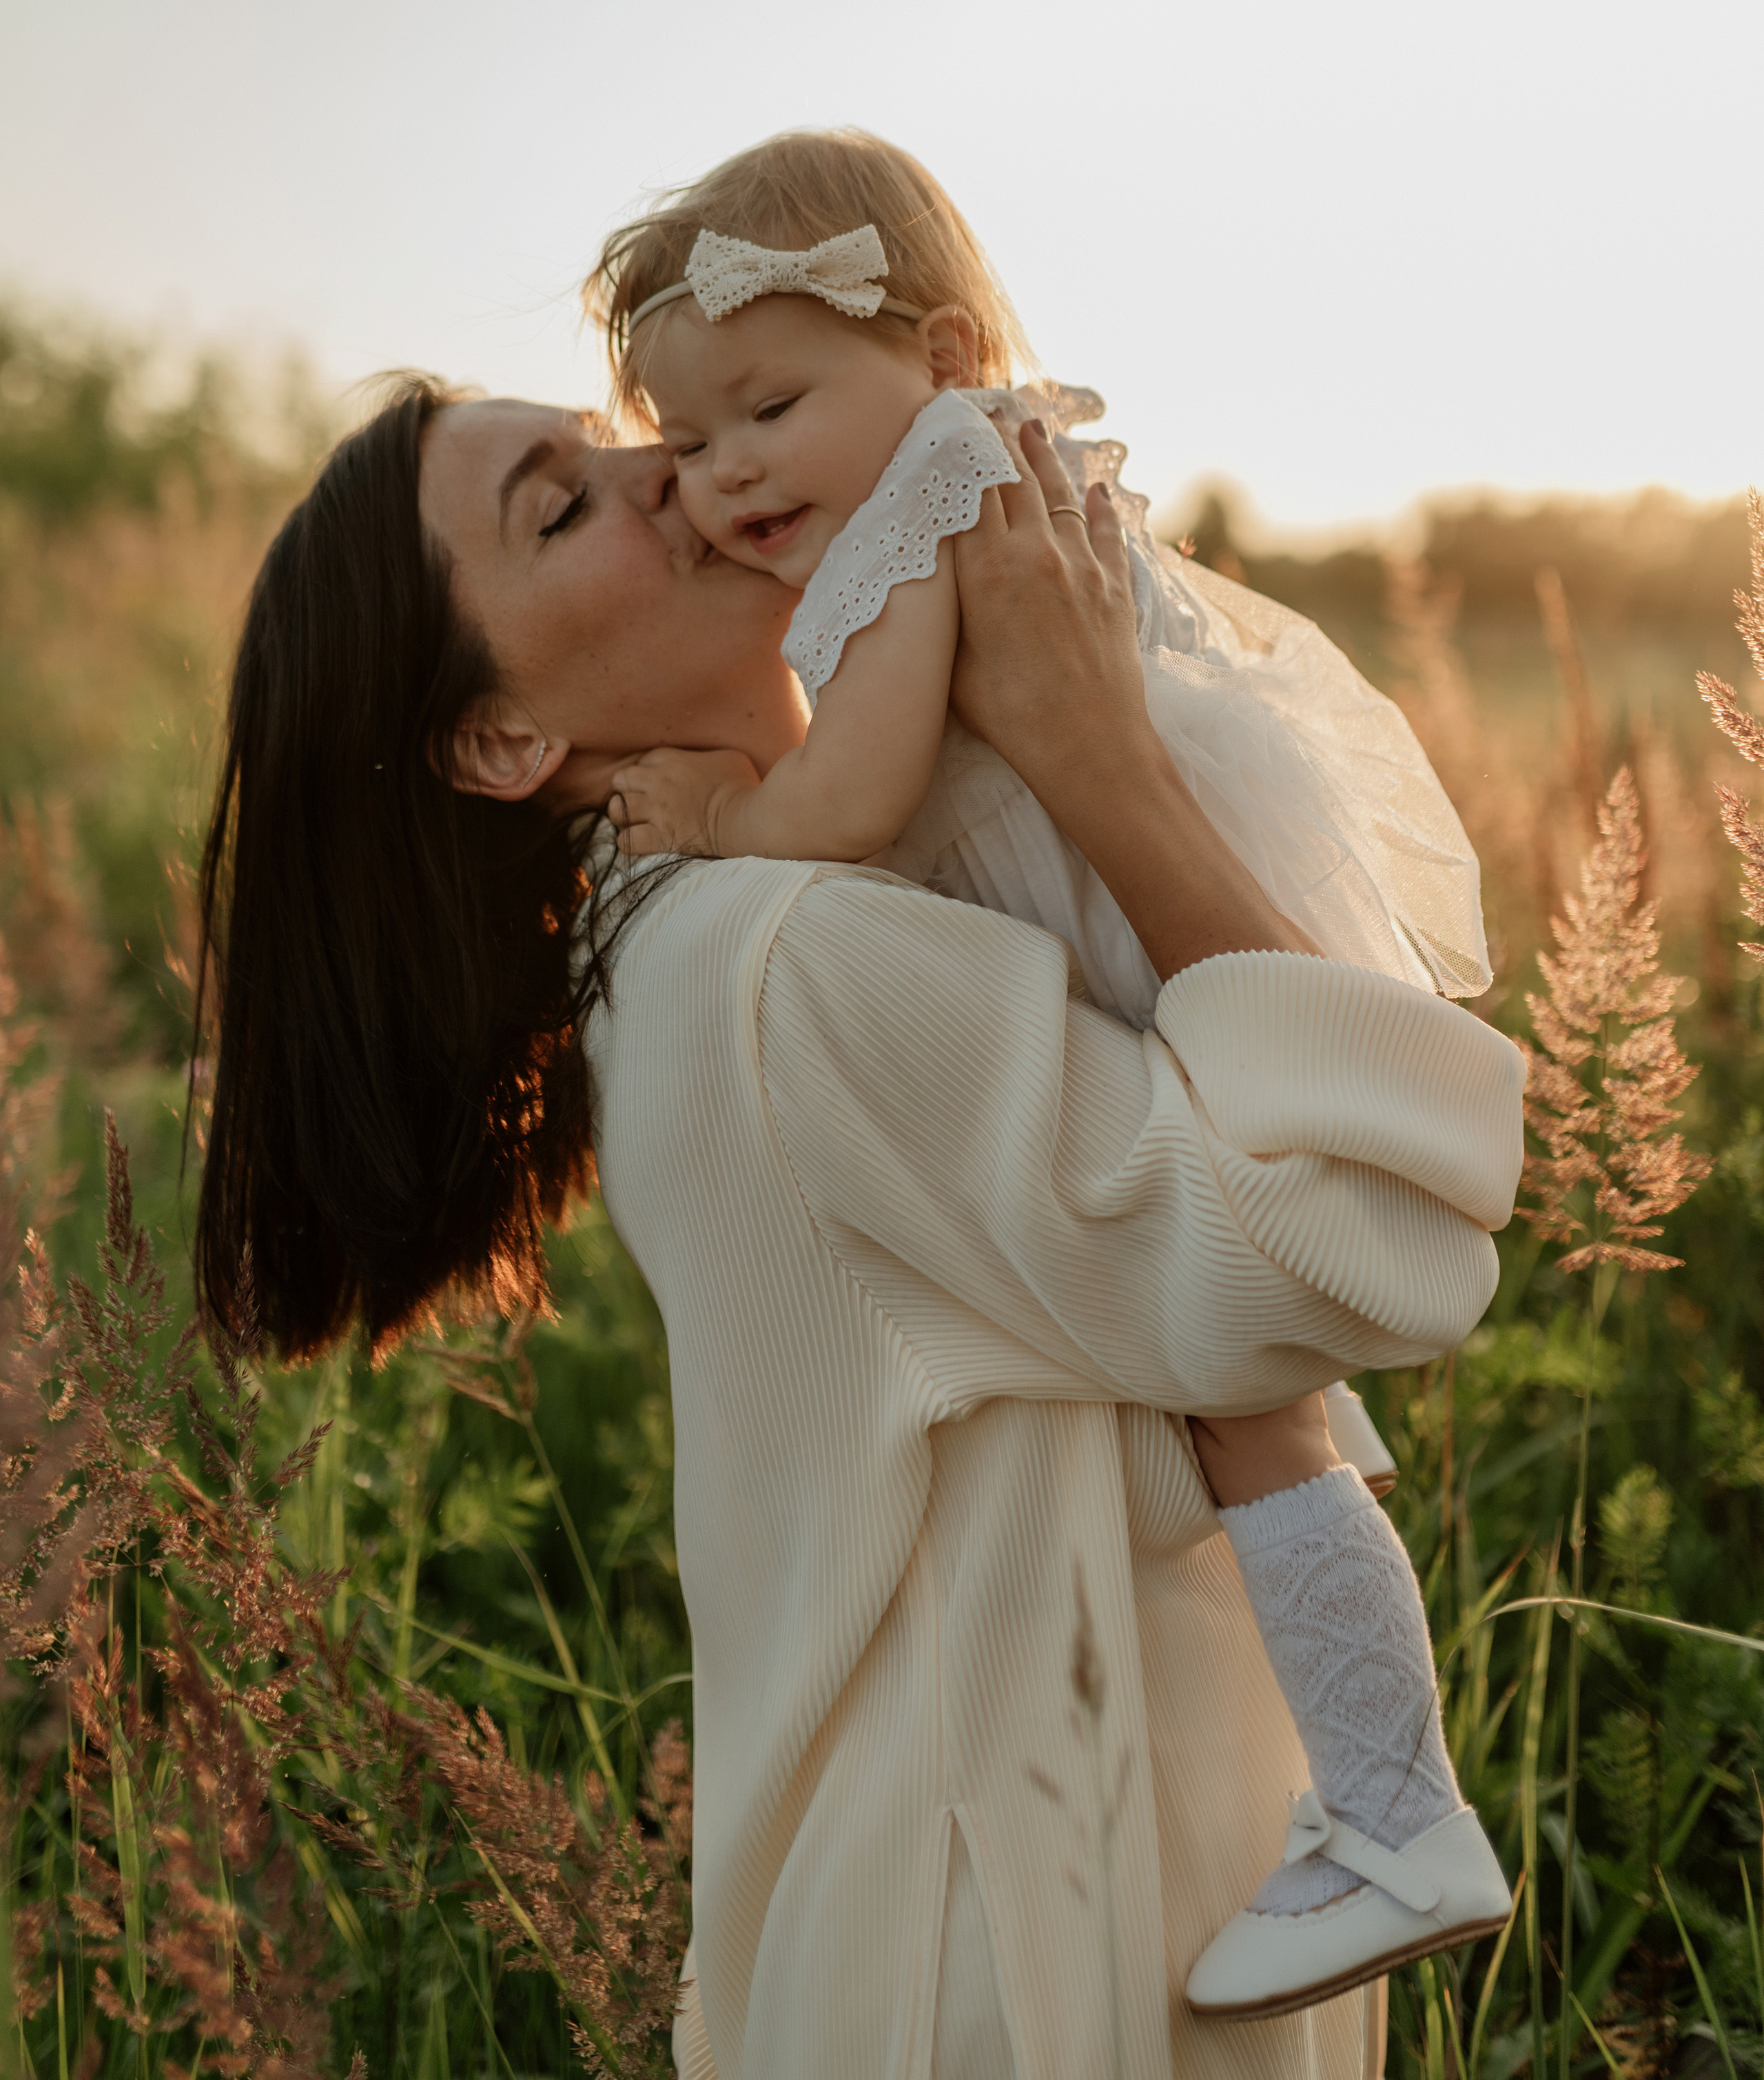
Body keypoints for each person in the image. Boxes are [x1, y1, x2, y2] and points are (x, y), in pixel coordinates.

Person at [194, 361, 1524, 2080]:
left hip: (1019, 1915)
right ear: (503, 741)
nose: (664, 474)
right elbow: (1358, 1245)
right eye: (563, 504)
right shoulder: (778, 966)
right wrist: (1102, 762)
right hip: (1023, 1967)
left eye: (615, 437)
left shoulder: (711, 929)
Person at [584, 130, 1510, 2021]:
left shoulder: (943, 489)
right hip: (1118, 905)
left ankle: (1400, 1812)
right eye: (686, 441)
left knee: (1255, 1378)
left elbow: (855, 797)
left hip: (1113, 907)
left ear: (937, 351)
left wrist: (720, 817)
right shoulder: (948, 475)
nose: (727, 470)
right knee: (1261, 1418)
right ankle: (1391, 1805)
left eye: (770, 405)